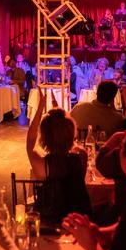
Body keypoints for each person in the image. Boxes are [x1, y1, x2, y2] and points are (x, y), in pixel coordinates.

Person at [26, 89, 91, 224]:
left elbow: (30, 140)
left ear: (44, 137)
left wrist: (41, 107)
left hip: (50, 221)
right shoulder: (81, 156)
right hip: (78, 220)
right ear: (71, 132)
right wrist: (58, 112)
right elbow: (62, 133)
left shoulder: (42, 166)